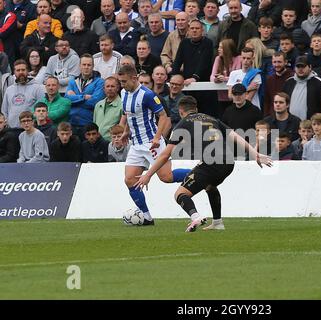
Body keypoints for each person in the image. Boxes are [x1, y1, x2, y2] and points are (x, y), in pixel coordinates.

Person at [134, 95, 272, 232]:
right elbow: (235, 136)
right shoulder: (211, 119)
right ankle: (217, 223)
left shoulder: (183, 124)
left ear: (181, 111)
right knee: (210, 186)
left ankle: (195, 217)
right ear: (196, 108)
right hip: (229, 161)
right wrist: (255, 154)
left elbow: (165, 154)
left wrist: (148, 175)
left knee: (180, 194)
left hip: (212, 162)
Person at [117, 64, 190, 226]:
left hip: (152, 143)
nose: (122, 85)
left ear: (134, 78)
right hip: (136, 145)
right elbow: (129, 114)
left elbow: (163, 117)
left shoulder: (147, 95)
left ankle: (198, 174)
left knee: (166, 177)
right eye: (120, 82)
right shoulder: (123, 93)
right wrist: (126, 131)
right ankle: (147, 217)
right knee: (129, 180)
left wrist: (157, 138)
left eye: (124, 81)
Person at [65, 54, 106, 141]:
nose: (86, 67)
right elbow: (67, 101)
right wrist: (84, 97)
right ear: (79, 66)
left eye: (89, 65)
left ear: (93, 66)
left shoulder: (100, 82)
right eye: (84, 65)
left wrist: (74, 98)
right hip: (72, 122)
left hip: (88, 123)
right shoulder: (73, 82)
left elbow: (95, 102)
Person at [2, 60, 45, 129]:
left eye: (23, 70)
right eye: (18, 70)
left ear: (27, 71)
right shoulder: (9, 90)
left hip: (30, 129)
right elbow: (4, 111)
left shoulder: (37, 88)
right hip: (11, 129)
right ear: (14, 72)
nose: (21, 72)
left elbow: (42, 109)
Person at [282, 55, 321, 120]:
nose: (300, 69)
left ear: (310, 67)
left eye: (303, 66)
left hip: (311, 126)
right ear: (294, 68)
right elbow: (282, 103)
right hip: (291, 126)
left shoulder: (318, 82)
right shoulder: (288, 82)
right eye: (298, 67)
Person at [210, 38, 241, 118]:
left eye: (221, 48)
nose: (218, 49)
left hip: (234, 97)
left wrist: (225, 79)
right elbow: (212, 77)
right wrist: (216, 79)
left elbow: (237, 76)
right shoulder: (218, 59)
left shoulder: (238, 59)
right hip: (221, 97)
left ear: (227, 49)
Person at [263, 51, 294, 116]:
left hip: (289, 116)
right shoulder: (269, 79)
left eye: (279, 62)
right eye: (274, 62)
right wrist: (266, 115)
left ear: (285, 62)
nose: (276, 65)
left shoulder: (292, 77)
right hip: (272, 116)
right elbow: (267, 100)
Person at [93, 76, 123, 141]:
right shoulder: (98, 105)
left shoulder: (122, 105)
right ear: (104, 89)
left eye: (112, 86)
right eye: (107, 86)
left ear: (118, 88)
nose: (110, 89)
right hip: (98, 143)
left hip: (113, 143)